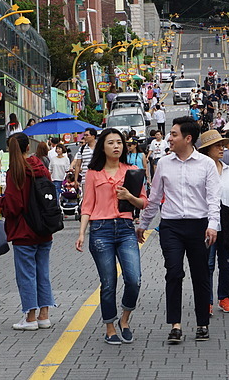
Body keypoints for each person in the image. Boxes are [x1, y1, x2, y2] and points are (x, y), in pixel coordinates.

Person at [137, 116, 221, 344]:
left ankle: (202, 322)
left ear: (188, 138)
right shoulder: (163, 163)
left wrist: (213, 225)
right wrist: (143, 224)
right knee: (173, 272)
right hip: (171, 226)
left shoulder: (206, 164)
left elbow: (214, 198)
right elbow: (154, 198)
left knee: (200, 274)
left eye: (173, 134)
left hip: (199, 226)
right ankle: (175, 325)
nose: (169, 138)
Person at [76, 129, 148, 344]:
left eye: (119, 142)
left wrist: (129, 196)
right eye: (111, 143)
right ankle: (110, 326)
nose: (116, 146)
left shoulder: (133, 171)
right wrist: (81, 233)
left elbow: (144, 202)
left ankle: (124, 320)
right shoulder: (93, 173)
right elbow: (87, 205)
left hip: (126, 228)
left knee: (133, 279)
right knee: (108, 282)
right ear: (103, 147)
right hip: (100, 230)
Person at [0, 133, 55, 330]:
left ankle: (30, 318)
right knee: (42, 272)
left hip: (24, 231)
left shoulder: (16, 171)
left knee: (26, 274)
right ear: (28, 148)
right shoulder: (41, 166)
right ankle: (44, 315)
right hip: (44, 228)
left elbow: (13, 206)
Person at [197, 130, 229, 315]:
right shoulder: (200, 171)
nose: (222, 148)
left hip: (228, 221)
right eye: (217, 145)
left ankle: (224, 297)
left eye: (222, 145)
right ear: (206, 150)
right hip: (207, 223)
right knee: (207, 264)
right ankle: (206, 300)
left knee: (226, 263)